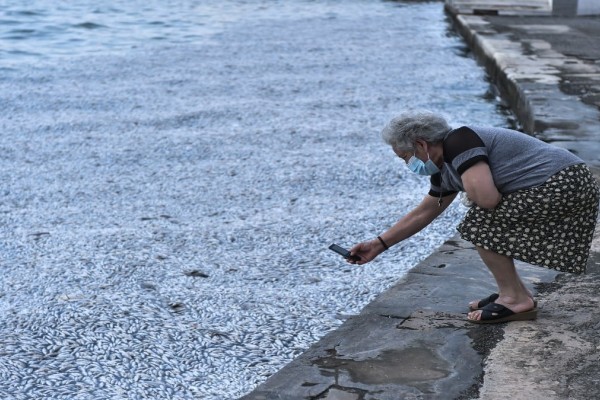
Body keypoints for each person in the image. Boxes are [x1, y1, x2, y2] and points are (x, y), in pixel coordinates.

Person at [349, 111, 599, 324]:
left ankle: (515, 299)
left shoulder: (460, 141)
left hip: (563, 183)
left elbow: (487, 199)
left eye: (406, 157)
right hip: (563, 181)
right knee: (483, 221)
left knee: (479, 224)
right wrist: (379, 244)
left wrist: (470, 192)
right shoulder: (446, 166)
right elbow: (425, 212)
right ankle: (515, 292)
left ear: (421, 144)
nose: (409, 165)